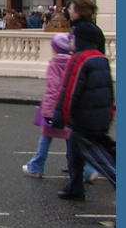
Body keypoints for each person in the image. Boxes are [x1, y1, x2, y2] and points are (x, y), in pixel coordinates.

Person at [51, 21, 116, 201]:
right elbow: (109, 91)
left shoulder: (79, 59)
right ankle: (75, 187)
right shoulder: (100, 58)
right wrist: (108, 115)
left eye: (73, 37)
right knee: (74, 154)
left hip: (83, 119)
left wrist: (59, 117)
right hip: (98, 116)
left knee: (99, 159)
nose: (71, 41)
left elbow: (69, 92)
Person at [22, 32, 98, 181]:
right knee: (71, 138)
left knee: (45, 138)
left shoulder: (54, 63)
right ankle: (87, 170)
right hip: (71, 107)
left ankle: (36, 166)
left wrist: (48, 111)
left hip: (54, 107)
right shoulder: (75, 62)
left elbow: (53, 88)